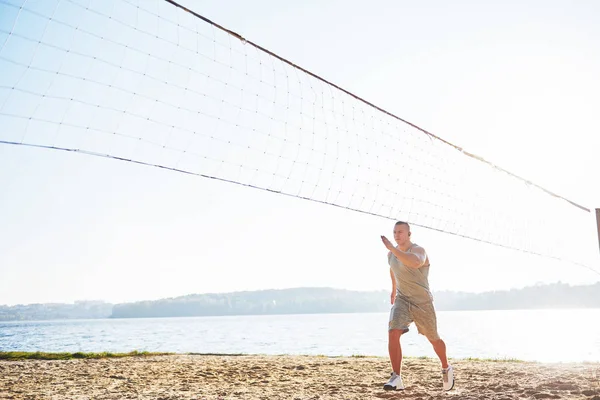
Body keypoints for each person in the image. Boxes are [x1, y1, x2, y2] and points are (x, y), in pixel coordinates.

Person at [380, 221, 454, 391]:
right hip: (402, 299)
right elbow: (393, 269)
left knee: (434, 339)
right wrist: (393, 290)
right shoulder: (391, 255)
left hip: (422, 303)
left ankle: (446, 367)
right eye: (394, 232)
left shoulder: (418, 250)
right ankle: (396, 377)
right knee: (393, 332)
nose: (397, 235)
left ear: (409, 234)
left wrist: (392, 248)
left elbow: (414, 263)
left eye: (400, 232)